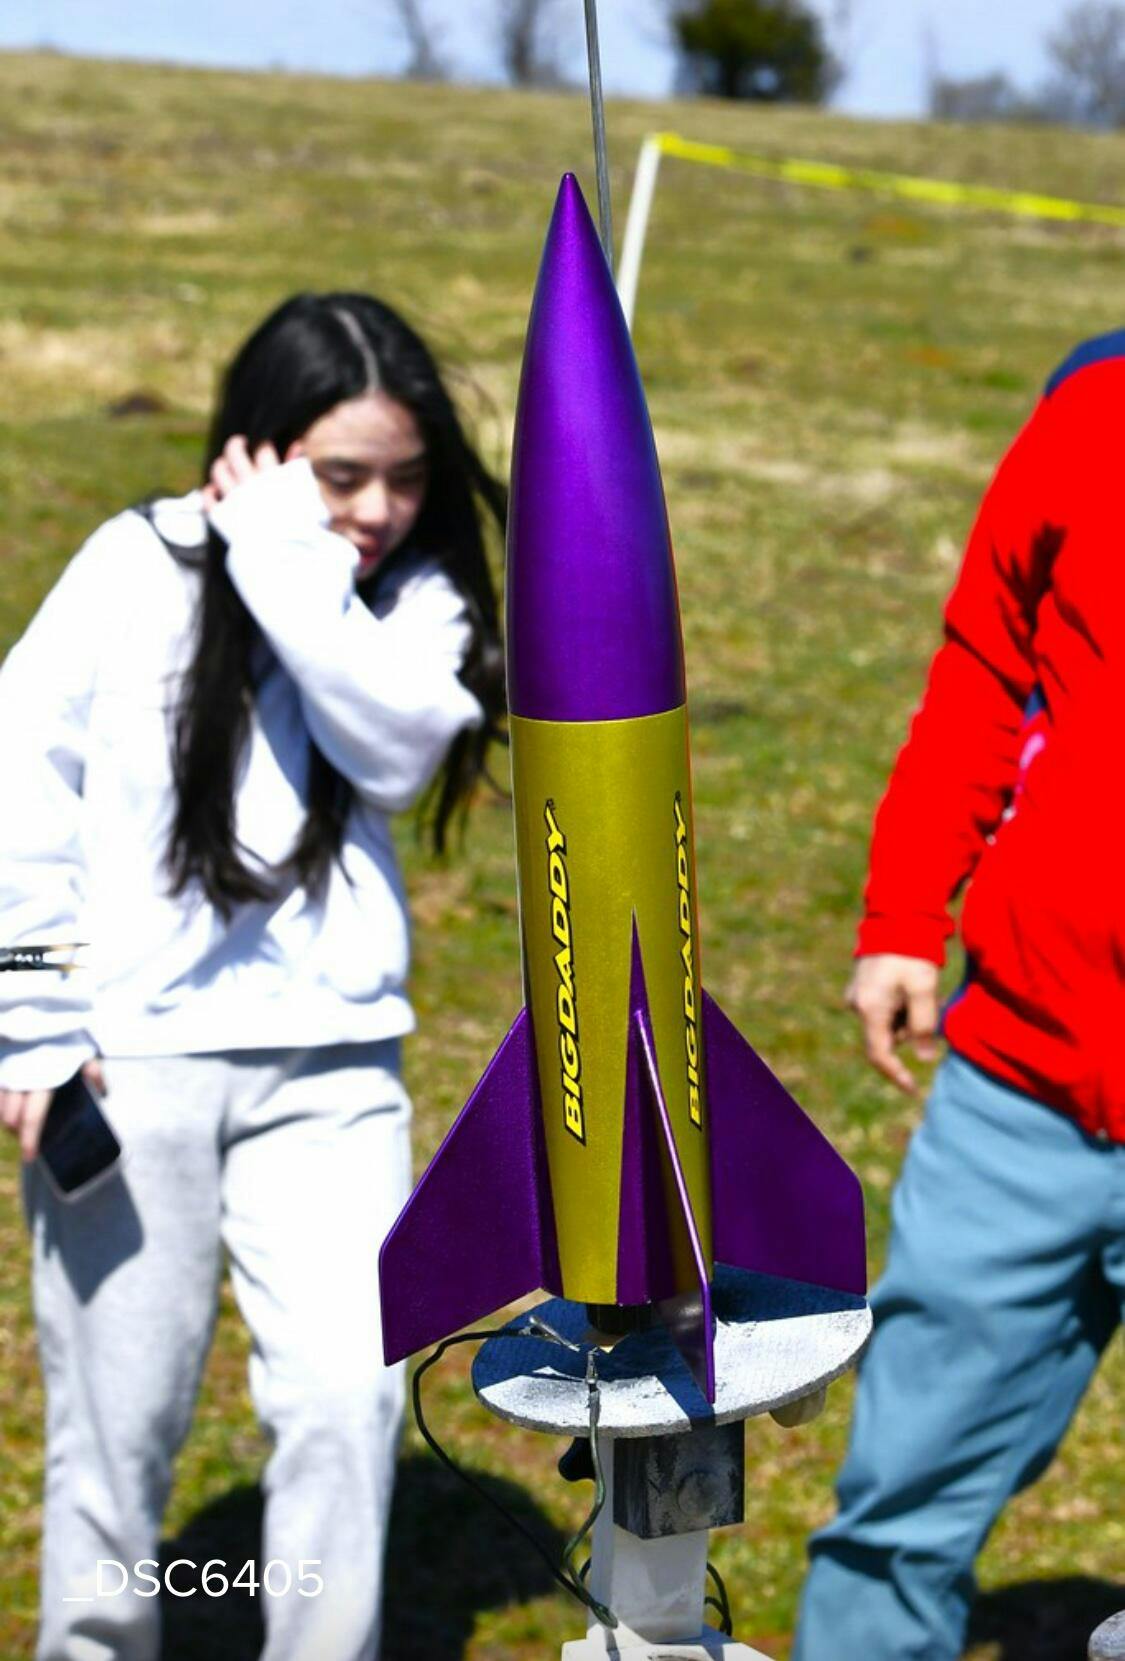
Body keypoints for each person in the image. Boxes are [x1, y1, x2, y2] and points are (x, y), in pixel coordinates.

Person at [0, 291, 506, 1661]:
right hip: (128, 1064)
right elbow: (21, 783)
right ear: (259, 444)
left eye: (406, 478)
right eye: (342, 475)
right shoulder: (136, 565)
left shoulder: (410, 599)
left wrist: (290, 561)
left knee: (351, 1397)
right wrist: (31, 1018)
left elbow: (396, 752)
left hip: (333, 1066)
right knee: (119, 1430)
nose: (378, 511)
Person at [792, 329, 1125, 1661]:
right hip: (1020, 1079)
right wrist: (899, 917)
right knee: (898, 1505)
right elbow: (987, 667)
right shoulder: (1090, 413)